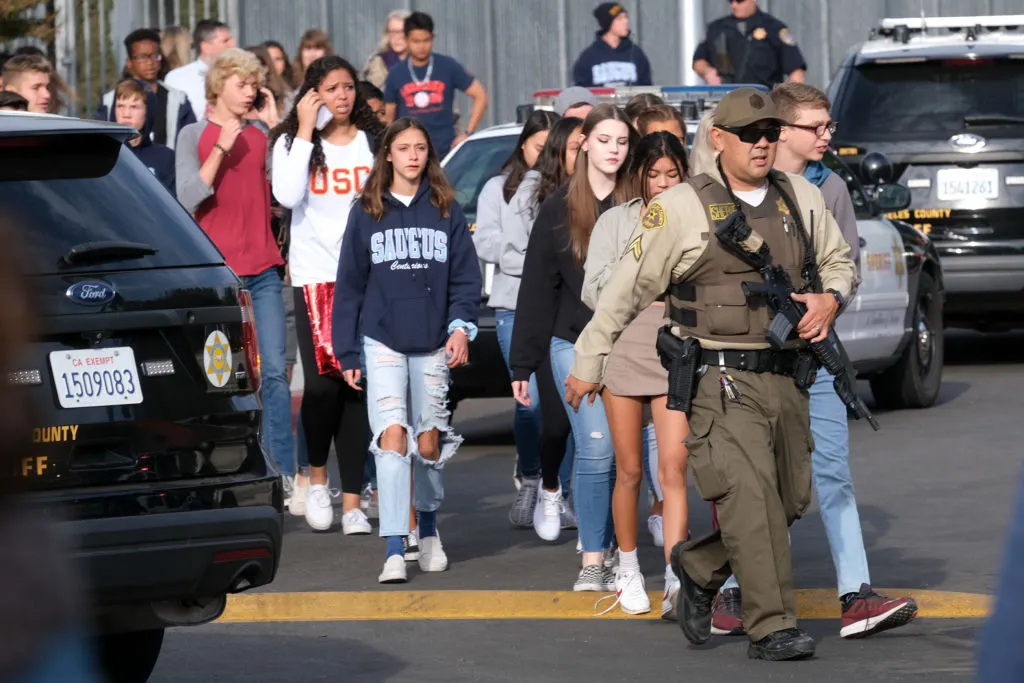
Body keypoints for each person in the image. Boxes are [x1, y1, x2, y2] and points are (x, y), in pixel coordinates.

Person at [564, 88, 856, 660]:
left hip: (786, 371)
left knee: (790, 498)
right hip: (717, 377)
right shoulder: (679, 208)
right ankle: (770, 626)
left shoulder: (799, 196)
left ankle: (697, 567)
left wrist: (831, 298)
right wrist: (587, 362)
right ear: (718, 138)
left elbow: (838, 260)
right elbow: (623, 293)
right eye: (750, 134)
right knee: (749, 496)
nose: (763, 143)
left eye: (770, 133)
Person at [707, 81, 918, 639]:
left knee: (830, 474)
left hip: (812, 355)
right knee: (745, 478)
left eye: (830, 127)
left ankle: (857, 594)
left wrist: (829, 302)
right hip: (742, 359)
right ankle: (726, 588)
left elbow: (843, 267)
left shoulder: (833, 190)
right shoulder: (734, 185)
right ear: (780, 130)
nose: (827, 136)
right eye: (815, 127)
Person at [332, 117, 482, 584]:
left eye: (420, 148)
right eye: (404, 148)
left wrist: (461, 329)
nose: (413, 156)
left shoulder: (445, 209)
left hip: (434, 340)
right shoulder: (367, 210)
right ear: (388, 156)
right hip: (382, 341)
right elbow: (350, 287)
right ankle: (395, 546)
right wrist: (348, 353)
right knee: (392, 437)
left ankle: (430, 533)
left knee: (429, 440)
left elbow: (466, 279)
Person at [511, 104, 637, 591]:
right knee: (597, 447)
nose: (613, 150)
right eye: (604, 140)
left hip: (630, 348)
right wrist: (522, 364)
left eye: (622, 142)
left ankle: (613, 548)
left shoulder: (641, 205)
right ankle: (591, 558)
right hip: (572, 342)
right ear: (584, 144)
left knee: (624, 457)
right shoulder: (560, 206)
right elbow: (536, 290)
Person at [271, 55, 384, 536]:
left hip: (368, 277)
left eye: (348, 88)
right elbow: (287, 195)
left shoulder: (371, 141)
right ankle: (317, 480)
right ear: (313, 93)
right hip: (316, 278)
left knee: (358, 388)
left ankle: (354, 501)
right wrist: (301, 128)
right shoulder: (293, 143)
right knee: (320, 389)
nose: (342, 96)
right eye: (331, 88)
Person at [175, 48, 296, 494]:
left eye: (253, 85)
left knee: (276, 375)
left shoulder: (264, 137)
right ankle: (220, 471)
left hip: (263, 271)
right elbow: (188, 197)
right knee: (221, 381)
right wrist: (223, 146)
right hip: (218, 278)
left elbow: (288, 188)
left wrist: (274, 122)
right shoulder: (193, 135)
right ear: (218, 87)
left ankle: (282, 469)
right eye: (241, 85)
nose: (250, 93)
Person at [582, 131, 690, 617]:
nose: (664, 183)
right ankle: (626, 568)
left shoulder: (696, 218)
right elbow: (594, 292)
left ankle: (676, 575)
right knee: (627, 469)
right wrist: (641, 256)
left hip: (676, 351)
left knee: (674, 468)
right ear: (640, 177)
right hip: (623, 344)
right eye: (655, 174)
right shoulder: (614, 221)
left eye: (673, 174)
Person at [472, 109, 558, 528]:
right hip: (512, 304)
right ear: (523, 145)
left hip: (559, 306)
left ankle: (559, 489)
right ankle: (531, 478)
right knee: (530, 400)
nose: (543, 155)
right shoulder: (496, 188)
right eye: (537, 146)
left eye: (550, 148)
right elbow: (485, 240)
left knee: (563, 400)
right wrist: (532, 260)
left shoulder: (564, 188)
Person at [502, 116, 585, 539]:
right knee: (555, 426)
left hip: (605, 338)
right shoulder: (548, 206)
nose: (587, 154)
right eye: (576, 147)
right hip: (559, 333)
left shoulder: (619, 203)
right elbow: (534, 291)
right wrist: (523, 365)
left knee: (598, 443)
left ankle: (596, 539)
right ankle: (549, 487)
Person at [383, 11, 488, 157]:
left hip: (445, 152)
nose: (421, 46)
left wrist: (468, 133)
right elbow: (389, 119)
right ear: (406, 39)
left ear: (432, 38)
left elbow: (480, 95)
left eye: (426, 40)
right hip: (409, 155)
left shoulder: (447, 66)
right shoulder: (396, 73)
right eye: (416, 41)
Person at [96, 29, 195, 149]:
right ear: (129, 62)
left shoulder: (178, 99)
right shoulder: (110, 101)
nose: (150, 62)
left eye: (155, 56)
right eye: (143, 57)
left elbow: (190, 140)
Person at [693, 0, 806, 87]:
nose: (734, 5)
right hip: (725, 101)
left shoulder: (774, 28)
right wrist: (708, 72)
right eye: (731, 1)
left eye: (740, 0)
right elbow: (698, 60)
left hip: (764, 101)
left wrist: (797, 102)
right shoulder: (716, 28)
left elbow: (795, 70)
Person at [113, 78, 176, 197]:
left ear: (148, 112)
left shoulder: (166, 158)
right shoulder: (103, 155)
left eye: (134, 107)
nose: (126, 114)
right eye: (120, 106)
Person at [165, 19, 236, 120]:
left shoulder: (237, 75)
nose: (233, 44)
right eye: (225, 41)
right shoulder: (178, 78)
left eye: (231, 39)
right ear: (206, 47)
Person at [572, 3, 652, 88]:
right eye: (620, 18)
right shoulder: (588, 57)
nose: (625, 21)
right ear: (608, 23)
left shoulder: (636, 54)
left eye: (626, 17)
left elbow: (646, 87)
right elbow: (581, 90)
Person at [363, 9, 411, 89]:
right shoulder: (378, 63)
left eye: (401, 32)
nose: (396, 37)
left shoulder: (424, 61)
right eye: (392, 32)